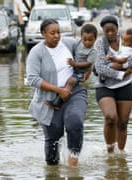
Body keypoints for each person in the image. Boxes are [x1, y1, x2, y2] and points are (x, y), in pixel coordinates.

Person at [26, 18, 88, 168]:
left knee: (75, 121)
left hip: (74, 92)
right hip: (49, 100)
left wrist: (85, 73)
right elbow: (33, 79)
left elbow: (88, 53)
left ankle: (73, 158)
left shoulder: (69, 44)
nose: (57, 36)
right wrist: (58, 90)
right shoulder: (36, 52)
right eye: (52, 33)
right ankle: (52, 171)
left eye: (58, 32)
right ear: (43, 34)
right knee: (53, 143)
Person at [94, 15, 132, 155]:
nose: (110, 33)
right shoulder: (100, 44)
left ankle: (121, 154)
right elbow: (100, 69)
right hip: (105, 87)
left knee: (123, 122)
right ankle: (110, 151)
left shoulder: (127, 39)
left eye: (112, 30)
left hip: (125, 86)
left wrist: (122, 64)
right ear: (103, 31)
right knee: (111, 118)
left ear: (117, 28)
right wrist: (122, 72)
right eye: (107, 31)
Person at [46, 23, 98, 110]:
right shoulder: (78, 43)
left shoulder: (93, 51)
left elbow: (88, 63)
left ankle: (58, 102)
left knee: (70, 81)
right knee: (64, 80)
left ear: (95, 39)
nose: (87, 42)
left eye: (90, 40)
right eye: (85, 40)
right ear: (81, 37)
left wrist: (75, 64)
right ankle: (58, 99)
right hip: (74, 69)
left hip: (81, 72)